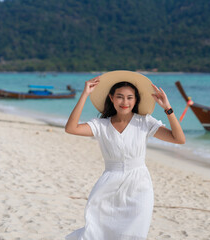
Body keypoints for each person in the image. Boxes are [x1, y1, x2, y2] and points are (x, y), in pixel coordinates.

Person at [64, 70, 185, 240]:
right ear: (111, 98)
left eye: (130, 97)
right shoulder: (101, 125)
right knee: (96, 232)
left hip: (139, 186)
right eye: (120, 96)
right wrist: (84, 95)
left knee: (134, 234)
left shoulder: (144, 122)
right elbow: (71, 128)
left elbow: (178, 139)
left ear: (135, 101)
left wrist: (168, 108)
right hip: (108, 185)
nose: (124, 102)